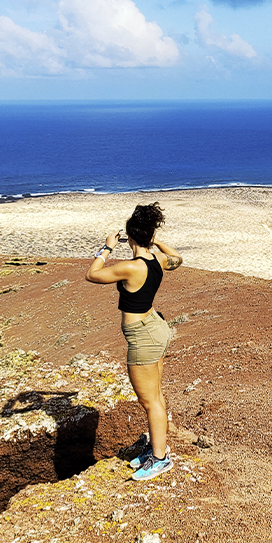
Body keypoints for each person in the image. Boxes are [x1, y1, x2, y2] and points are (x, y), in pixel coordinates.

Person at [85, 202, 183, 481]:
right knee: (156, 395)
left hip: (144, 338)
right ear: (150, 236)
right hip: (157, 328)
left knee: (149, 399)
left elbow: (92, 274)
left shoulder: (130, 267)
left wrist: (106, 248)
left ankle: (161, 459)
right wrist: (155, 242)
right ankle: (156, 447)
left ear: (129, 237)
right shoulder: (158, 260)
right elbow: (177, 258)